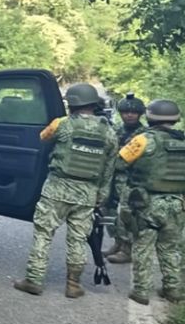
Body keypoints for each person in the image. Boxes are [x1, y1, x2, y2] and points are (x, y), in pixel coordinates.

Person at [13, 83, 117, 298]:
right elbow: (109, 168)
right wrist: (102, 195)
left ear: (72, 103)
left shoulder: (62, 124)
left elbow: (43, 137)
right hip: (87, 194)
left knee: (43, 234)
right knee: (78, 239)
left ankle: (34, 280)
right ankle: (73, 284)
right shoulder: (109, 132)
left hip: (57, 189)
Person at [118, 99, 185, 305]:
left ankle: (141, 291)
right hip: (177, 203)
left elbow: (120, 161)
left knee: (143, 246)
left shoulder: (143, 139)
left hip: (147, 203)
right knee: (171, 248)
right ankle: (172, 290)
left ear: (150, 116)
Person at [104, 93, 148, 264]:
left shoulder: (145, 134)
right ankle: (118, 242)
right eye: (126, 112)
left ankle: (127, 249)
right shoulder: (116, 130)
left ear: (140, 114)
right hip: (114, 178)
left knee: (127, 214)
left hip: (132, 180)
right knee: (110, 211)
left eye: (134, 112)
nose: (129, 115)